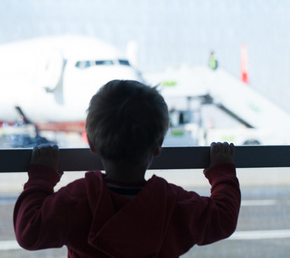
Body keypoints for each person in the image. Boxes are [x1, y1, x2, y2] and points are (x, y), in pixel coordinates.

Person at [13, 80, 241, 257]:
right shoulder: (173, 204)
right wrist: (222, 171)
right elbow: (223, 218)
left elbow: (28, 231)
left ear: (91, 143)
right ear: (157, 146)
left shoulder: (77, 201)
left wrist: (41, 178)